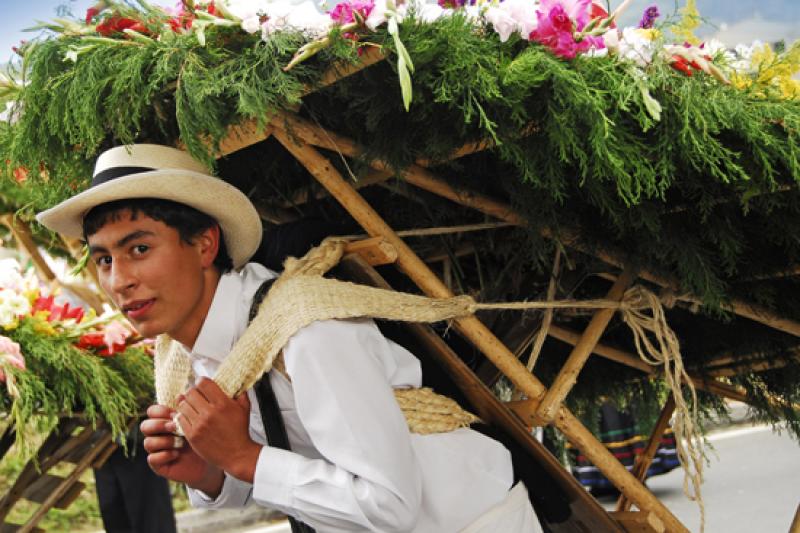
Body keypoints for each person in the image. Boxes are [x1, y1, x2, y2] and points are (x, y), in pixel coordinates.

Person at [37, 144, 540, 532]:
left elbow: (390, 504)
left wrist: (242, 457)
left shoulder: (309, 328)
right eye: (104, 259)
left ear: (205, 243)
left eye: (139, 248)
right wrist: (209, 472)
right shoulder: (183, 355)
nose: (118, 279)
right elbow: (280, 466)